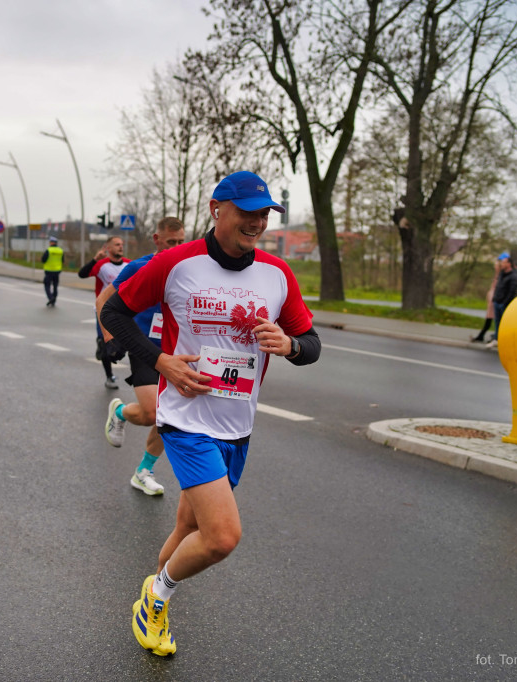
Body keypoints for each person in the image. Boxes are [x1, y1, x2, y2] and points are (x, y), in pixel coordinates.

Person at [101, 171, 321, 656]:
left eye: (264, 213)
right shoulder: (175, 262)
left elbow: (312, 345)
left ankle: (154, 601)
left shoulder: (277, 274)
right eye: (247, 211)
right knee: (221, 537)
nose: (257, 222)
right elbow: (114, 312)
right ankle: (153, 600)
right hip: (186, 419)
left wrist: (289, 345)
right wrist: (161, 361)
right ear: (216, 208)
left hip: (237, 426)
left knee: (188, 530)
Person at [97, 217, 187, 496]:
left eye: (181, 242)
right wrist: (109, 339)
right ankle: (120, 412)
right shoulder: (139, 267)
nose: (176, 247)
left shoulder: (189, 268)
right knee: (151, 413)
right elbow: (104, 301)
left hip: (178, 349)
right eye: (171, 242)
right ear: (156, 239)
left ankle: (143, 472)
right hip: (145, 346)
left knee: (170, 418)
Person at [79, 236, 129, 389]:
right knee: (107, 344)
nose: (120, 247)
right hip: (104, 310)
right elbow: (82, 274)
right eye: (117, 244)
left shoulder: (129, 264)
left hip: (123, 310)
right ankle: (110, 377)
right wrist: (94, 259)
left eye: (121, 244)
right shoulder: (102, 265)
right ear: (108, 248)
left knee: (125, 343)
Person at [488, 252, 517, 349]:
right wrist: (495, 299)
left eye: (504, 262)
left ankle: (506, 342)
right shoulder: (502, 273)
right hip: (497, 301)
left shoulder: (514, 276)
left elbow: (512, 292)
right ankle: (497, 340)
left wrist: (504, 302)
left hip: (504, 303)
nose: (502, 264)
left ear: (509, 264)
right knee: (497, 323)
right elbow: (498, 286)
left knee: (505, 324)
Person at [472, 259, 500, 343]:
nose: (495, 266)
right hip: (493, 299)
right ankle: (487, 335)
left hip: (495, 300)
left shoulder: (500, 276)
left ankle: (493, 336)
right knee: (492, 319)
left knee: (495, 319)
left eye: (496, 265)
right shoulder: (498, 275)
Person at [41, 234, 64, 306]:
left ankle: (51, 298)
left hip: (49, 271)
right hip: (57, 271)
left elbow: (43, 260)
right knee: (55, 286)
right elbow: (62, 260)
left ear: (51, 242)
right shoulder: (60, 250)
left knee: (47, 285)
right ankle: (54, 299)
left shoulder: (48, 250)